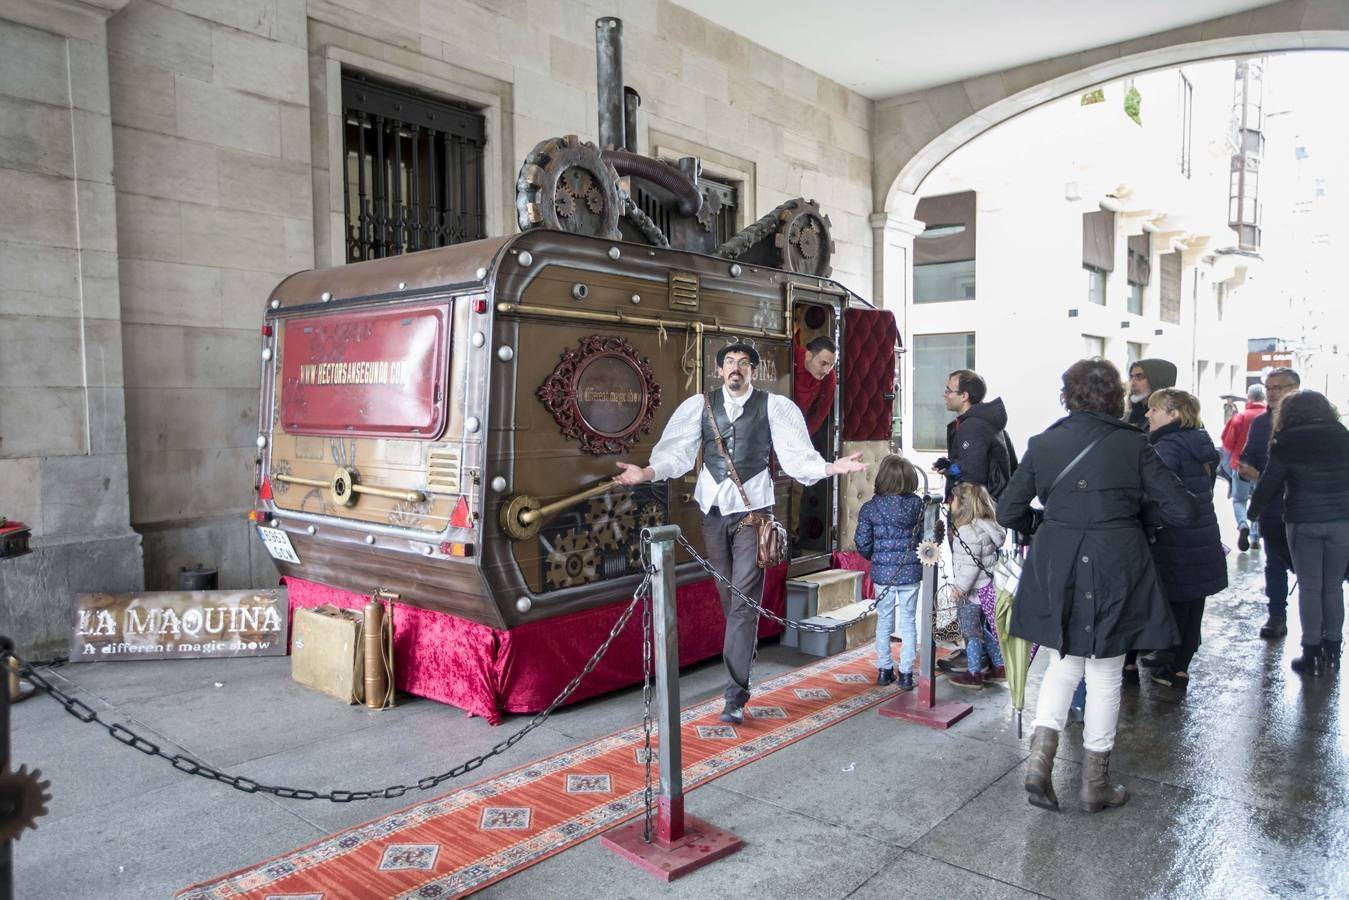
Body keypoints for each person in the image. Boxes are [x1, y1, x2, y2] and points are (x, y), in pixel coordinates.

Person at [615, 341, 868, 724]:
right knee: (730, 599)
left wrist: (832, 468)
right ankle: (743, 652)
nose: (736, 368)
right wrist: (646, 473)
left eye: (743, 363)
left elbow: (796, 456)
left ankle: (734, 695)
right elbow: (676, 453)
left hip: (754, 517)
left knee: (744, 602)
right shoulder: (699, 406)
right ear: (719, 370)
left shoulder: (775, 406)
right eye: (729, 362)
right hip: (713, 515)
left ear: (753, 370)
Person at [996, 358, 1194, 813]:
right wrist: (1137, 520)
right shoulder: (1135, 444)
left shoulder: (1044, 442)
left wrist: (1046, 524)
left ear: (1069, 395)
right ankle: (1095, 785)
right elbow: (1180, 509)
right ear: (1117, 397)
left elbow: (1008, 511)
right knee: (1105, 672)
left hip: (1057, 558)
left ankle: (1038, 767)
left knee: (1062, 661)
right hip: (1117, 560)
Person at [1247, 390, 1349, 677]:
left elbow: (1270, 481)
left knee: (1309, 586)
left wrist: (1252, 513)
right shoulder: (1343, 435)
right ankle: (1333, 649)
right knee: (1333, 586)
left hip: (1303, 520)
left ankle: (1310, 651)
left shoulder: (1286, 440)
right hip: (1342, 520)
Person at [1142, 389, 1229, 689]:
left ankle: (1167, 664)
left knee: (1176, 603)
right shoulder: (1199, 441)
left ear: (1175, 414)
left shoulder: (1167, 447)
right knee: (1194, 605)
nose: (1148, 415)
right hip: (1202, 533)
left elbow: (1157, 494)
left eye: (1154, 410)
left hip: (1175, 537)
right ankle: (1180, 667)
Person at [1238, 368, 1301, 640]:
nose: (1272, 393)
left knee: (1315, 569)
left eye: (1279, 387)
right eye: (1269, 388)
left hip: (1306, 509)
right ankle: (1277, 617)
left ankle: (1322, 630)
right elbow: (1246, 460)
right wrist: (1253, 473)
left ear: (1295, 388)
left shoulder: (1311, 423)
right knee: (1274, 564)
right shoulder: (1261, 423)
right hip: (1272, 508)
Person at [854, 455, 924, 690]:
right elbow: (924, 540)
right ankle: (905, 674)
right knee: (909, 622)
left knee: (884, 621)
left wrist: (875, 557)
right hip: (911, 573)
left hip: (883, 574)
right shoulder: (918, 506)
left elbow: (862, 543)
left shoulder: (870, 508)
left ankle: (884, 670)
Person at [946, 482, 1007, 689]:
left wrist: (959, 589)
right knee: (981, 629)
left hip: (972, 591)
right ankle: (999, 665)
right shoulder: (987, 526)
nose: (950, 502)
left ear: (962, 505)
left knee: (970, 632)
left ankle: (974, 673)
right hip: (987, 588)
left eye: (953, 499)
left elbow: (970, 566)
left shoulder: (967, 531)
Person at [933, 369, 1013, 501]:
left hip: (976, 511)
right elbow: (974, 464)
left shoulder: (973, 427)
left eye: (948, 390)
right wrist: (949, 465)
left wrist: (950, 471)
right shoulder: (984, 421)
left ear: (964, 396)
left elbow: (972, 478)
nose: (945, 395)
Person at [1221, 384, 1267, 551]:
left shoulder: (1239, 418)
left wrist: (1229, 468)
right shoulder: (1271, 418)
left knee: (1239, 500)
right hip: (1264, 470)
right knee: (1259, 500)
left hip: (1242, 467)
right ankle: (1255, 537)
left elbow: (1227, 446)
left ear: (1249, 398)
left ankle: (1242, 526)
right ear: (1264, 397)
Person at [792, 335, 837, 437]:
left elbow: (821, 412)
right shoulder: (790, 356)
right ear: (808, 355)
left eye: (831, 365)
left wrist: (803, 436)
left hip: (798, 429)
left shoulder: (829, 377)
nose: (827, 371)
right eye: (823, 363)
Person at [1125, 358, 1177, 431]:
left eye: (1139, 377)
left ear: (1157, 380)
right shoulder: (1130, 414)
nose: (1132, 383)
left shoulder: (1169, 418)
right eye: (1131, 377)